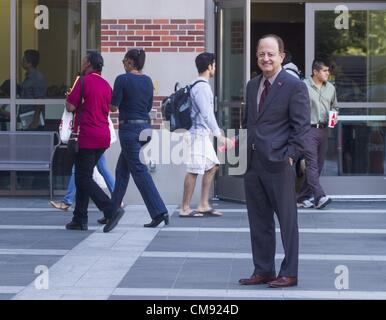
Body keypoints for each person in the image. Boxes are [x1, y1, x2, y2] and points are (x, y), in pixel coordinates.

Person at [239, 34, 310, 288]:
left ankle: (289, 272)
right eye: (261, 54)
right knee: (259, 221)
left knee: (287, 222)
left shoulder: (294, 86)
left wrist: (290, 156)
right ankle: (264, 269)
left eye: (270, 54)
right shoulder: (251, 85)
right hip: (254, 163)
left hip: (280, 163)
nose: (265, 58)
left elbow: (302, 128)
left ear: (281, 55)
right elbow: (250, 122)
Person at [65, 51, 123, 232]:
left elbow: (70, 106)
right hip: (103, 136)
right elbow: (112, 108)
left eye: (83, 60)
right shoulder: (106, 84)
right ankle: (79, 218)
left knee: (82, 177)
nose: (81, 63)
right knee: (85, 175)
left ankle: (111, 209)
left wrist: (68, 96)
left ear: (88, 63)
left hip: (86, 135)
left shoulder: (82, 81)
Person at [109, 48, 168, 228]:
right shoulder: (148, 81)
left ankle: (159, 211)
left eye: (124, 60)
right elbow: (149, 105)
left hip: (129, 130)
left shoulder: (122, 79)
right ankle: (111, 211)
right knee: (122, 171)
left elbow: (113, 107)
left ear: (129, 61)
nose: (122, 63)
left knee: (138, 171)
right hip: (145, 129)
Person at [179, 52, 232, 218]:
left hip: (201, 134)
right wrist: (219, 135)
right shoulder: (202, 87)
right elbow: (207, 113)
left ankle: (203, 204)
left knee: (212, 166)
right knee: (193, 170)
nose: (214, 67)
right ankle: (185, 208)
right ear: (209, 67)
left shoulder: (198, 85)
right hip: (197, 135)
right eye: (214, 65)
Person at [297, 59, 339, 209]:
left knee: (318, 166)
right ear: (315, 71)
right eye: (325, 70)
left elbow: (335, 107)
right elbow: (296, 108)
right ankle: (320, 196)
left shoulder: (331, 88)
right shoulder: (303, 86)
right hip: (308, 130)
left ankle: (301, 197)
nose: (328, 73)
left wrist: (334, 117)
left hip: (323, 130)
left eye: (328, 71)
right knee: (312, 164)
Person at [49, 153, 115, 213]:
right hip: (96, 143)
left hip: (89, 145)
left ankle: (67, 201)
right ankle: (117, 199)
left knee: (79, 171)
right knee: (102, 169)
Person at [18, 49, 47, 130]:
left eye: (24, 60)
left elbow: (40, 100)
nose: (21, 61)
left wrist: (35, 121)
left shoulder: (37, 78)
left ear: (29, 63)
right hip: (25, 117)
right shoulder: (28, 77)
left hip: (32, 120)